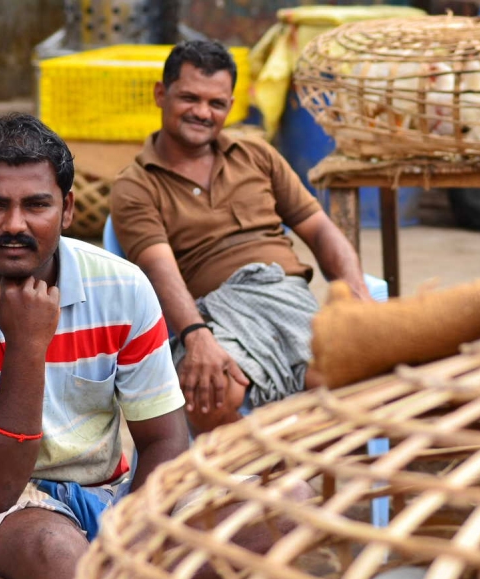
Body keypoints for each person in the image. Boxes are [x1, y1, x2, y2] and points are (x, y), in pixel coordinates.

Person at [0, 113, 286, 579]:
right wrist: (28, 345)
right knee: (53, 551)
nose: (15, 224)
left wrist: (130, 543)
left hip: (110, 503)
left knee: (288, 507)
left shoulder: (120, 287)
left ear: (68, 209)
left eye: (37, 205)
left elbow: (166, 441)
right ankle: (66, 577)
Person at [110, 40, 371, 435]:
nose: (202, 112)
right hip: (214, 313)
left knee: (354, 376)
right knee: (213, 394)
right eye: (190, 98)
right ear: (161, 94)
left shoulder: (258, 156)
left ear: (230, 107)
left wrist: (356, 292)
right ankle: (275, 471)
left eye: (216, 103)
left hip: (287, 297)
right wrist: (196, 336)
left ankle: (286, 465)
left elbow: (319, 229)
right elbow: (160, 270)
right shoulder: (136, 185)